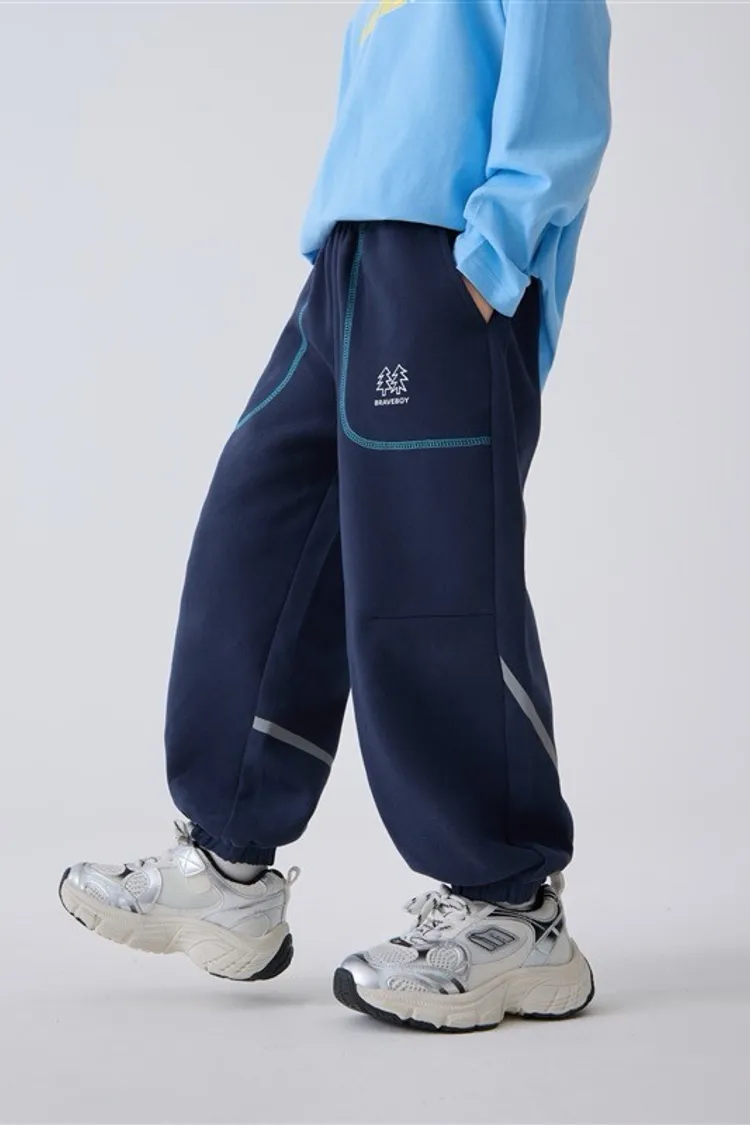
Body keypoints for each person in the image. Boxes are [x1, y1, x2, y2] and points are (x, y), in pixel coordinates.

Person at [60, 0, 611, 1033]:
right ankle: (228, 860)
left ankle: (511, 908)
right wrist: (340, 249)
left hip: (447, 260)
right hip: (350, 264)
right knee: (260, 528)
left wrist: (492, 258)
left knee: (431, 583)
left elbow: (562, 84)